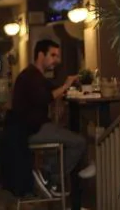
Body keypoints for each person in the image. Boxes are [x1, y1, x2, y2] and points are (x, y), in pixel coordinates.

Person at [12, 39, 95, 198]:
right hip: (30, 130)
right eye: (53, 55)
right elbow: (45, 97)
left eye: (58, 56)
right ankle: (50, 176)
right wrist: (64, 87)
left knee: (66, 137)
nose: (57, 60)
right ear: (40, 55)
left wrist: (67, 86)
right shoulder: (29, 76)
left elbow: (53, 91)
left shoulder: (37, 77)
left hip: (34, 128)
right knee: (79, 142)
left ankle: (49, 175)